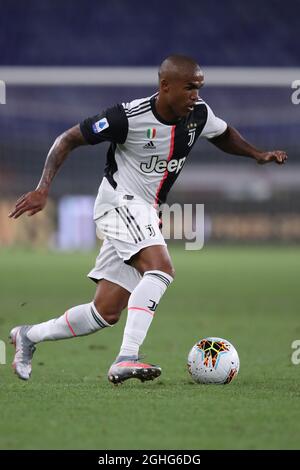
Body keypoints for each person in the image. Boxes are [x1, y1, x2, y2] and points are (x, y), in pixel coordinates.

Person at [8, 55, 287, 384]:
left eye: (198, 88)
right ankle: (126, 358)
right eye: (189, 88)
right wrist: (43, 188)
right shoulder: (127, 117)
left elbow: (223, 134)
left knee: (105, 312)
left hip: (144, 211)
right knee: (161, 268)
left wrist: (257, 155)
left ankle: (28, 336)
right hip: (117, 201)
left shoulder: (198, 114)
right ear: (165, 86)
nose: (195, 95)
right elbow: (68, 139)